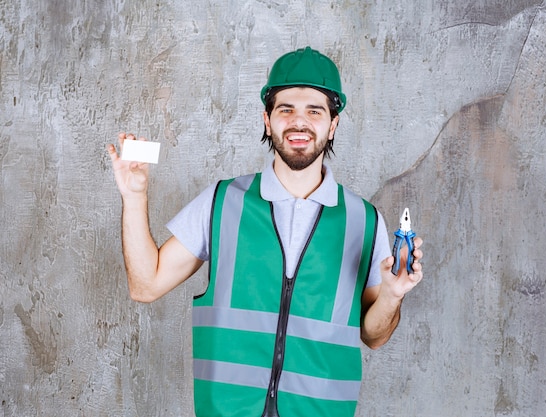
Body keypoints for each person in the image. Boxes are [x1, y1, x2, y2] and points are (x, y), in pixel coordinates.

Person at [107, 46, 424, 417]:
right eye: (285, 109)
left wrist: (392, 294)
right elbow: (146, 285)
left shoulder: (364, 220)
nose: (299, 122)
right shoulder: (222, 202)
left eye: (314, 111)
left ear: (333, 124)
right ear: (267, 120)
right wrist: (134, 194)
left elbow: (374, 335)